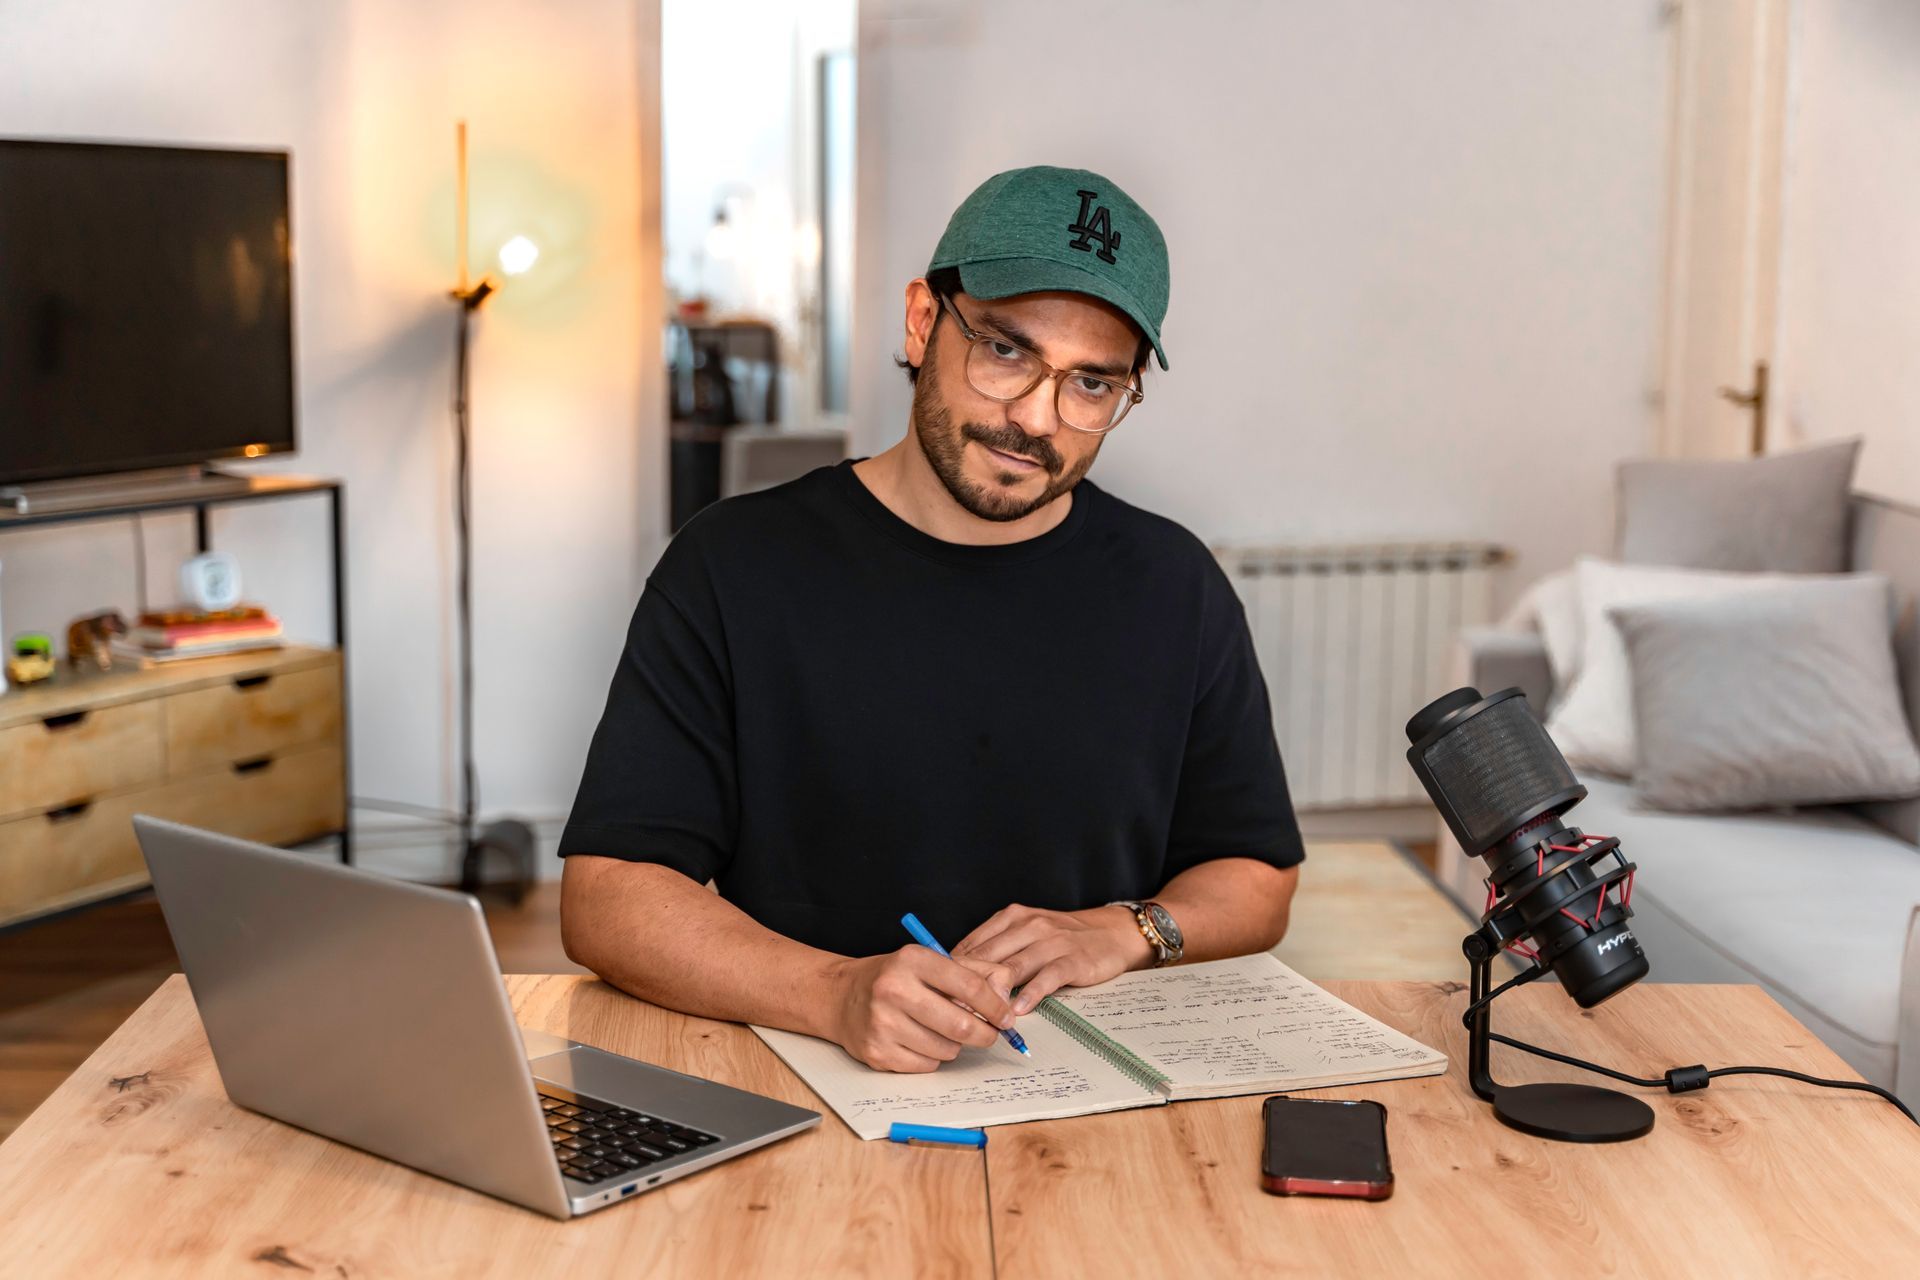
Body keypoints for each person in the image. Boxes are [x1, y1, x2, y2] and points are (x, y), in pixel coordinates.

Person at [559, 166, 1304, 1072]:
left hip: (1091, 1091)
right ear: (923, 322)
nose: (1035, 418)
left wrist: (1125, 929)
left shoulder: (1174, 584)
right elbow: (608, 895)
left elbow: (1257, 877)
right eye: (1005, 351)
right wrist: (833, 993)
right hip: (805, 1073)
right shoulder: (735, 564)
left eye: (1093, 385)